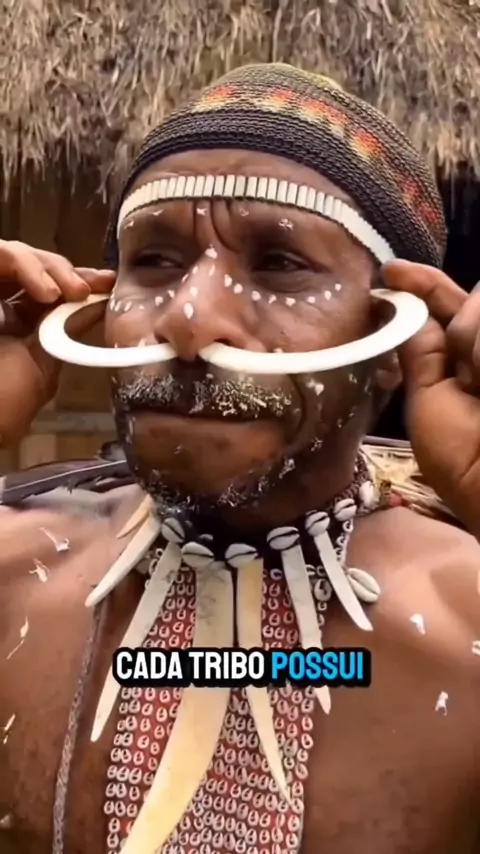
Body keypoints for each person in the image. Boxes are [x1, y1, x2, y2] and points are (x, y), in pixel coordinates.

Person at [0, 63, 479, 854]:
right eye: (155, 261)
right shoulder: (12, 581)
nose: (189, 320)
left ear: (392, 336)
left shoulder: (465, 633)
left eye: (279, 264)